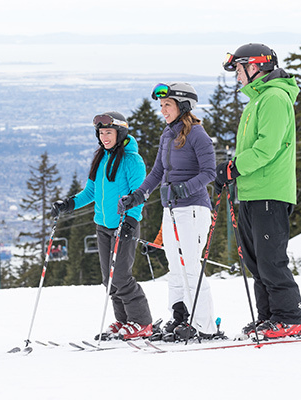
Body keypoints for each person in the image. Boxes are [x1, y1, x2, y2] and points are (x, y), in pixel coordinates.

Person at [216, 43, 301, 339]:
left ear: (254, 66)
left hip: (270, 191)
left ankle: (289, 317)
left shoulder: (275, 98)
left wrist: (234, 167)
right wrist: (233, 170)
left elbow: (267, 148)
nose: (237, 76)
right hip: (252, 193)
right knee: (256, 261)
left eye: (239, 70)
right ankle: (269, 317)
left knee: (270, 259)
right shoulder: (257, 100)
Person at [119, 83, 219, 341]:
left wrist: (182, 190)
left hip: (194, 209)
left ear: (183, 106)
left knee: (190, 267)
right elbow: (157, 173)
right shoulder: (167, 135)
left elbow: (209, 172)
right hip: (171, 209)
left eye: (168, 105)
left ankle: (204, 326)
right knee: (174, 267)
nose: (163, 110)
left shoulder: (198, 135)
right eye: (161, 105)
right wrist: (138, 195)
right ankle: (180, 317)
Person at [52, 111, 153, 340]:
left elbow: (139, 194)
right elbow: (91, 192)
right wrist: (69, 204)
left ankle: (142, 321)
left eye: (109, 132)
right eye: (101, 133)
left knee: (121, 277)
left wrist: (130, 219)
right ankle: (124, 320)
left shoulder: (131, 160)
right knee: (109, 279)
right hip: (103, 226)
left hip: (123, 225)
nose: (105, 137)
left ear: (120, 132)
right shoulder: (101, 158)